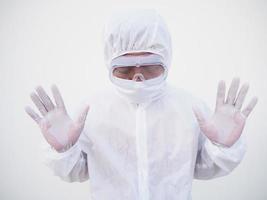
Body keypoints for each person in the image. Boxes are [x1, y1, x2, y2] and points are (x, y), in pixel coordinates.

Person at [25, 9, 258, 200]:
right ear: (110, 63)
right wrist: (63, 151)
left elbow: (203, 168)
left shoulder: (190, 108)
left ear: (166, 59)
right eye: (125, 67)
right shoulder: (91, 111)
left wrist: (222, 147)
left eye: (149, 65)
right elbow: (76, 172)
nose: (138, 77)